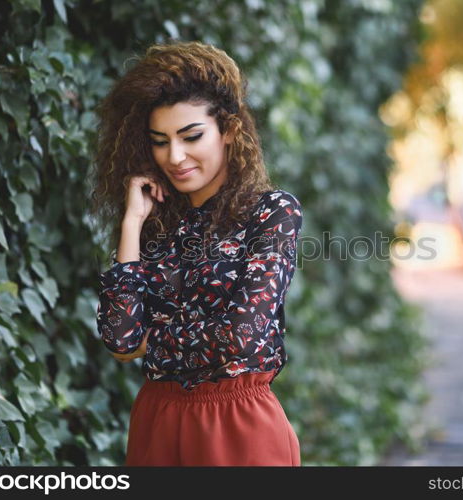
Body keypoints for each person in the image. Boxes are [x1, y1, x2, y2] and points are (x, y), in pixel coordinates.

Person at [90, 40, 303, 466]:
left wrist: (160, 339)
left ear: (228, 130)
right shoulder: (154, 221)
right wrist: (132, 223)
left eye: (191, 136)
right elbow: (121, 339)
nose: (175, 156)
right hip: (157, 420)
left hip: (238, 422)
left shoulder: (272, 212)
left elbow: (241, 338)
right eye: (160, 141)